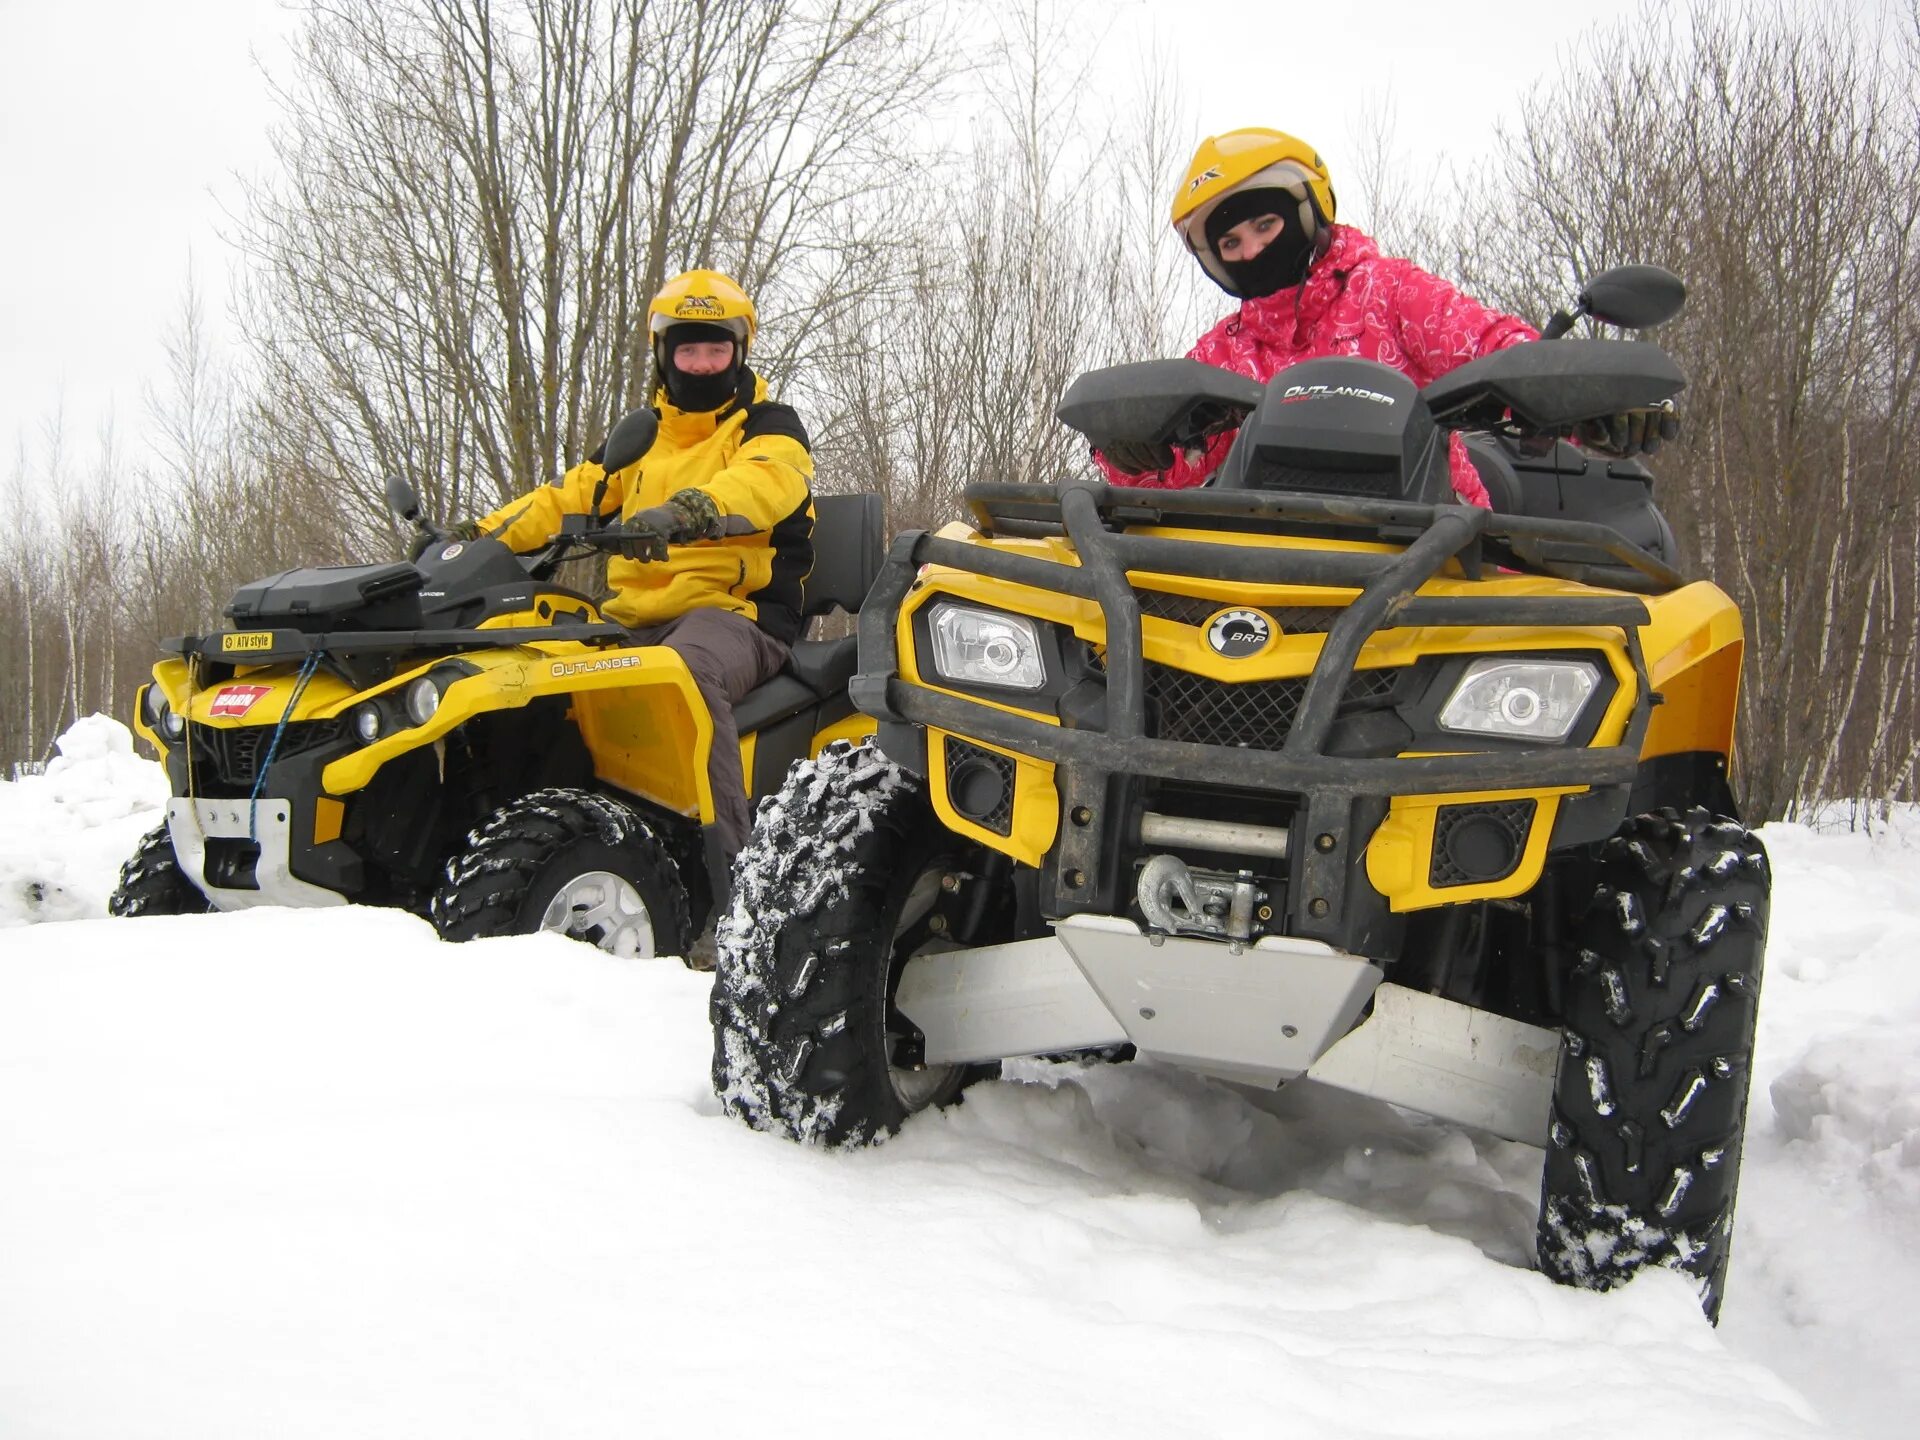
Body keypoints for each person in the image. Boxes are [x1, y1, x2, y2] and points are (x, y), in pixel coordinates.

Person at [1096, 127, 1675, 497]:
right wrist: (1128, 449)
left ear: (1307, 211)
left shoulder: (1387, 291)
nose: (1253, 251)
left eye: (1265, 225)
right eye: (1231, 244)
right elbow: (1177, 471)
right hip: (1263, 566)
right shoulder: (1222, 355)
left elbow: (1491, 347)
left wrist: (1581, 398)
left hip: (1431, 548)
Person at [463, 268, 814, 858]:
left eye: (715, 349)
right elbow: (570, 495)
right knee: (528, 670)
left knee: (683, 671)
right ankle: (527, 842)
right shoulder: (643, 436)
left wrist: (692, 510)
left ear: (739, 352)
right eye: (688, 350)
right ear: (662, 353)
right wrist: (477, 537)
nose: (701, 364)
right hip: (633, 616)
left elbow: (766, 483)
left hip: (737, 615)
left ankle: (729, 874)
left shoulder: (769, 426)